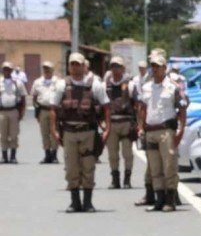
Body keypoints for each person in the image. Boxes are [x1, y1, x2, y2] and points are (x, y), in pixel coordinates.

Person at [51, 52, 110, 213]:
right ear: (69, 66)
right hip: (69, 131)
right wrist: (54, 130)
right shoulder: (62, 85)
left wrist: (107, 129)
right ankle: (74, 202)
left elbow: (106, 106)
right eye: (72, 64)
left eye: (78, 64)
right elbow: (54, 109)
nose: (75, 67)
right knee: (71, 168)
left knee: (88, 167)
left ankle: (88, 202)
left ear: (84, 66)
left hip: (88, 132)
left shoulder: (95, 85)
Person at [137, 53, 187, 212]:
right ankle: (159, 199)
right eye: (153, 66)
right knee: (154, 167)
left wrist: (180, 129)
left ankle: (170, 200)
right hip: (151, 130)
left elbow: (182, 109)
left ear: (165, 68)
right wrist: (140, 127)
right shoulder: (146, 87)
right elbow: (142, 109)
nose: (155, 69)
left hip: (166, 131)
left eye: (158, 66)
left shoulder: (173, 86)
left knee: (169, 166)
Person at [104, 56, 136, 189]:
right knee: (112, 154)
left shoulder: (130, 84)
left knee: (127, 153)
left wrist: (137, 124)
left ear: (123, 68)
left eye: (118, 66)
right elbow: (103, 105)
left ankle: (127, 179)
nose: (115, 69)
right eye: (113, 66)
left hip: (126, 122)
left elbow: (136, 104)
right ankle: (115, 179)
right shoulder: (106, 84)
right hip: (111, 122)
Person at [31, 61, 63, 164]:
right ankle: (47, 155)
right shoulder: (38, 82)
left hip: (54, 110)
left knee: (54, 132)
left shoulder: (58, 82)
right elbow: (34, 97)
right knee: (44, 133)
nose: (46, 70)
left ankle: (54, 155)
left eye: (48, 68)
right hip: (43, 110)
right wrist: (37, 111)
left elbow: (62, 96)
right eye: (44, 68)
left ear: (52, 70)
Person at [0, 61, 27, 163]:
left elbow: (23, 97)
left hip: (13, 111)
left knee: (14, 134)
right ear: (2, 70)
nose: (7, 71)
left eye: (8, 69)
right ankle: (4, 156)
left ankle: (13, 156)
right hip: (2, 111)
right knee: (3, 134)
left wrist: (22, 112)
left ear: (11, 71)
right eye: (5, 69)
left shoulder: (17, 83)